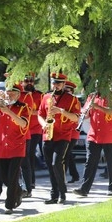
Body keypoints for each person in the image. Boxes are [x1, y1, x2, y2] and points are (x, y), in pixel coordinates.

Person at [38, 73, 80, 205]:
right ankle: (54, 195)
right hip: (48, 135)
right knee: (50, 167)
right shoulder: (46, 97)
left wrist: (61, 111)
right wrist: (44, 124)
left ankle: (62, 193)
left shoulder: (72, 99)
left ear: (63, 84)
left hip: (63, 135)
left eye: (59, 83)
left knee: (57, 163)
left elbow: (76, 118)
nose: (56, 85)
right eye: (54, 83)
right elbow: (40, 115)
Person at [0, 85, 29, 214]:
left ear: (18, 95)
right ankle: (20, 191)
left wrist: (8, 111)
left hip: (17, 147)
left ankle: (9, 205)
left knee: (12, 177)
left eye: (12, 94)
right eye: (7, 93)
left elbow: (23, 124)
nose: (9, 96)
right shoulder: (1, 107)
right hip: (2, 148)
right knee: (5, 178)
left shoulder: (23, 107)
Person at [72, 84, 112, 197]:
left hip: (109, 134)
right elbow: (87, 113)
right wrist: (85, 112)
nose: (97, 88)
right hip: (94, 134)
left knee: (111, 162)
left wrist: (97, 107)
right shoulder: (91, 96)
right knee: (90, 162)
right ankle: (84, 189)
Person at [22, 72, 44, 191]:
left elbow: (42, 111)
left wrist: (32, 112)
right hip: (23, 129)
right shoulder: (20, 95)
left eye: (31, 81)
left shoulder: (39, 95)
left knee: (30, 153)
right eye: (27, 81)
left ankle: (31, 182)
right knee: (24, 155)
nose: (29, 83)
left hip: (35, 129)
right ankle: (27, 180)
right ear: (22, 82)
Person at [63, 81, 81, 184]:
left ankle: (63, 177)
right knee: (67, 154)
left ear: (72, 90)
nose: (65, 91)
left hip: (73, 132)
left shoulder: (75, 100)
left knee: (65, 155)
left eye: (67, 89)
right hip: (64, 131)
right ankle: (75, 175)